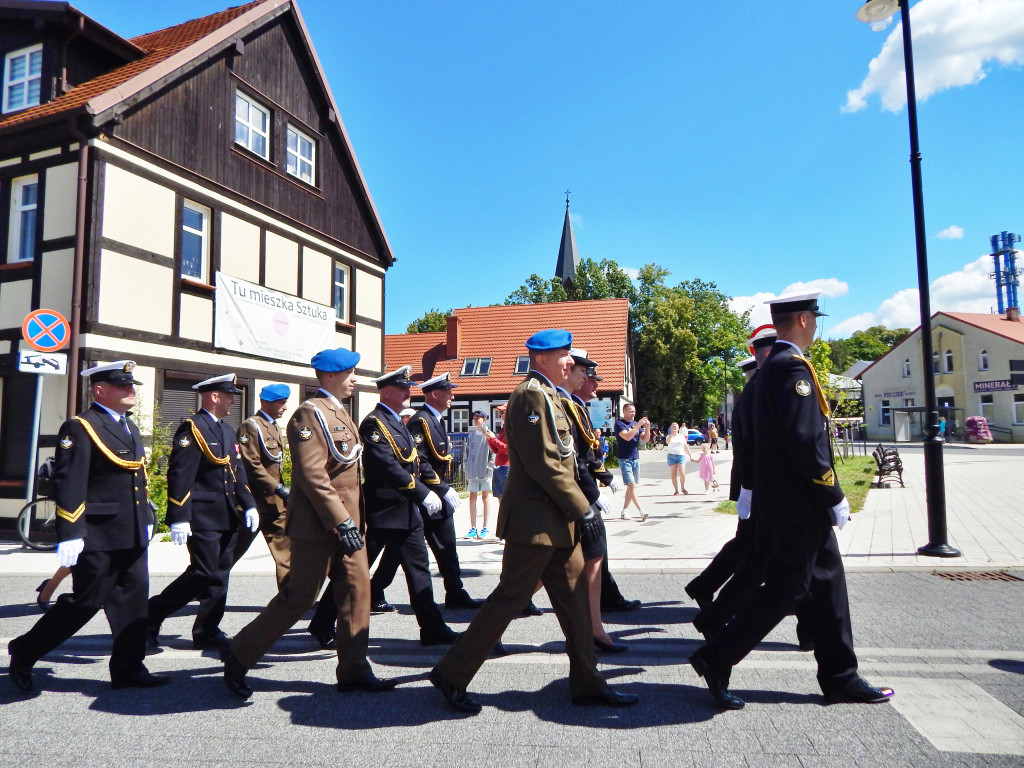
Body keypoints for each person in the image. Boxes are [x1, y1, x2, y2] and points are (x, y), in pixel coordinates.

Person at [689, 292, 894, 710]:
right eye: (815, 319)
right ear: (802, 319)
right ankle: (717, 655)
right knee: (788, 587)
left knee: (827, 583)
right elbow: (803, 439)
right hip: (799, 502)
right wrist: (832, 492)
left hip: (786, 501)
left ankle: (840, 676)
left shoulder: (769, 371)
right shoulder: (790, 368)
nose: (817, 327)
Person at [429, 329, 639, 714]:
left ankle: (589, 682)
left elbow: (567, 458)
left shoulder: (553, 396)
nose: (570, 363)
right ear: (542, 360)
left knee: (575, 601)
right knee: (508, 599)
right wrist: (584, 507)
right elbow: (545, 463)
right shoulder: (530, 395)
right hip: (534, 522)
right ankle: (451, 672)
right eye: (564, 356)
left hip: (557, 520)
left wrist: (586, 498)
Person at [220, 348, 393, 699]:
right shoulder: (308, 414)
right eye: (350, 373)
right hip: (319, 526)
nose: (355, 379)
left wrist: (354, 522)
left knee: (358, 592)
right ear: (329, 376)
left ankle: (354, 670)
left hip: (348, 526)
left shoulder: (338, 411)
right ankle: (239, 654)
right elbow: (313, 476)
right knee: (298, 598)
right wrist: (341, 521)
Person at [8, 361, 167, 692]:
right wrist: (71, 533)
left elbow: (135, 479)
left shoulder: (128, 427)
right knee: (85, 604)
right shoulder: (80, 426)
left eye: (131, 385)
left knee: (133, 603)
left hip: (131, 530)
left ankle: (128, 669)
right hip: (97, 533)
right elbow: (71, 481)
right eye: (123, 386)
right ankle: (24, 650)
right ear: (100, 391)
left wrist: (146, 518)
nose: (131, 391)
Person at [147, 373, 258, 650]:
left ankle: (207, 629)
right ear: (214, 397)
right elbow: (180, 474)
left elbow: (237, 471)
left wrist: (249, 504)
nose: (234, 400)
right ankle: (152, 612)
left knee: (220, 572)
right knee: (202, 572)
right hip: (202, 515)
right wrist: (179, 516)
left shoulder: (226, 429)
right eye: (229, 395)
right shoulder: (192, 428)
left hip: (227, 513)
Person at [360, 366, 459, 645]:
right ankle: (322, 621)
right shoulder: (375, 423)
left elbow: (414, 462)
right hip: (383, 511)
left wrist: (428, 492)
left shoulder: (397, 421)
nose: (408, 392)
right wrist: (423, 493)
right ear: (387, 391)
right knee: (356, 569)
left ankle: (432, 629)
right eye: (403, 388)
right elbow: (388, 466)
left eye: (408, 388)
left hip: (405, 510)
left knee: (419, 571)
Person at [372, 372, 481, 612]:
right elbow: (419, 461)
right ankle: (372, 591)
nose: (453, 394)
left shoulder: (435, 420)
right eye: (448, 390)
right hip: (424, 495)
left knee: (436, 545)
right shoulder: (421, 421)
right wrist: (440, 489)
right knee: (406, 549)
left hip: (433, 496)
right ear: (434, 394)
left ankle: (454, 591)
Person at [232, 384, 292, 587]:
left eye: (285, 402)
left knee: (286, 551)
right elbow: (251, 465)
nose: (285, 407)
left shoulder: (273, 425)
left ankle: (292, 596)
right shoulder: (251, 426)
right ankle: (205, 583)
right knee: (232, 551)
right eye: (281, 402)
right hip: (254, 501)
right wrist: (279, 488)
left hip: (274, 503)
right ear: (266, 402)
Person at [614, 403, 650, 520]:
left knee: (631, 487)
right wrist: (638, 425)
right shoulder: (619, 424)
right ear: (624, 412)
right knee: (632, 485)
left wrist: (647, 427)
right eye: (631, 411)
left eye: (634, 411)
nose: (633, 413)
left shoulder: (635, 424)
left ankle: (624, 511)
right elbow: (628, 437)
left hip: (635, 458)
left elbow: (645, 439)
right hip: (625, 459)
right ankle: (641, 510)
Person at [464, 410, 494, 540]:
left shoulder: (488, 434)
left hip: (485, 471)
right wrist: (466, 467)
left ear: (484, 419)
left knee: (485, 498)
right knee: (472, 497)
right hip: (473, 471)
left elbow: (494, 452)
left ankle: (485, 527)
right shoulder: (471, 436)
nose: (475, 420)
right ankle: (473, 527)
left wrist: (490, 468)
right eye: (474, 418)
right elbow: (466, 452)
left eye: (478, 418)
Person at [666, 422, 692, 495]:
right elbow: (667, 442)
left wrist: (690, 454)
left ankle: (683, 488)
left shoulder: (681, 436)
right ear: (671, 428)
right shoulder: (669, 436)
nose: (674, 428)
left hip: (681, 456)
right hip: (671, 456)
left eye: (675, 427)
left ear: (678, 428)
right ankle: (676, 490)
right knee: (673, 474)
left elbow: (685, 446)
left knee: (682, 473)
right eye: (673, 427)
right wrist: (671, 434)